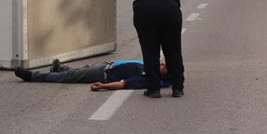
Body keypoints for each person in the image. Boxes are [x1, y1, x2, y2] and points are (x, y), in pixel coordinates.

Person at [119, 0, 189, 97]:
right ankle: (177, 88)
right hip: (170, 12)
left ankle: (153, 89)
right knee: (173, 50)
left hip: (144, 13)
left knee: (150, 51)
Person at [14, 59, 170, 91]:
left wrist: (103, 86)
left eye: (164, 66)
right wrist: (117, 62)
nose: (161, 64)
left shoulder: (148, 79)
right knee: (79, 71)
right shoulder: (152, 69)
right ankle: (60, 68)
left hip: (103, 74)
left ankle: (32, 76)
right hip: (107, 67)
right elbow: (133, 63)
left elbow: (124, 84)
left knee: (69, 77)